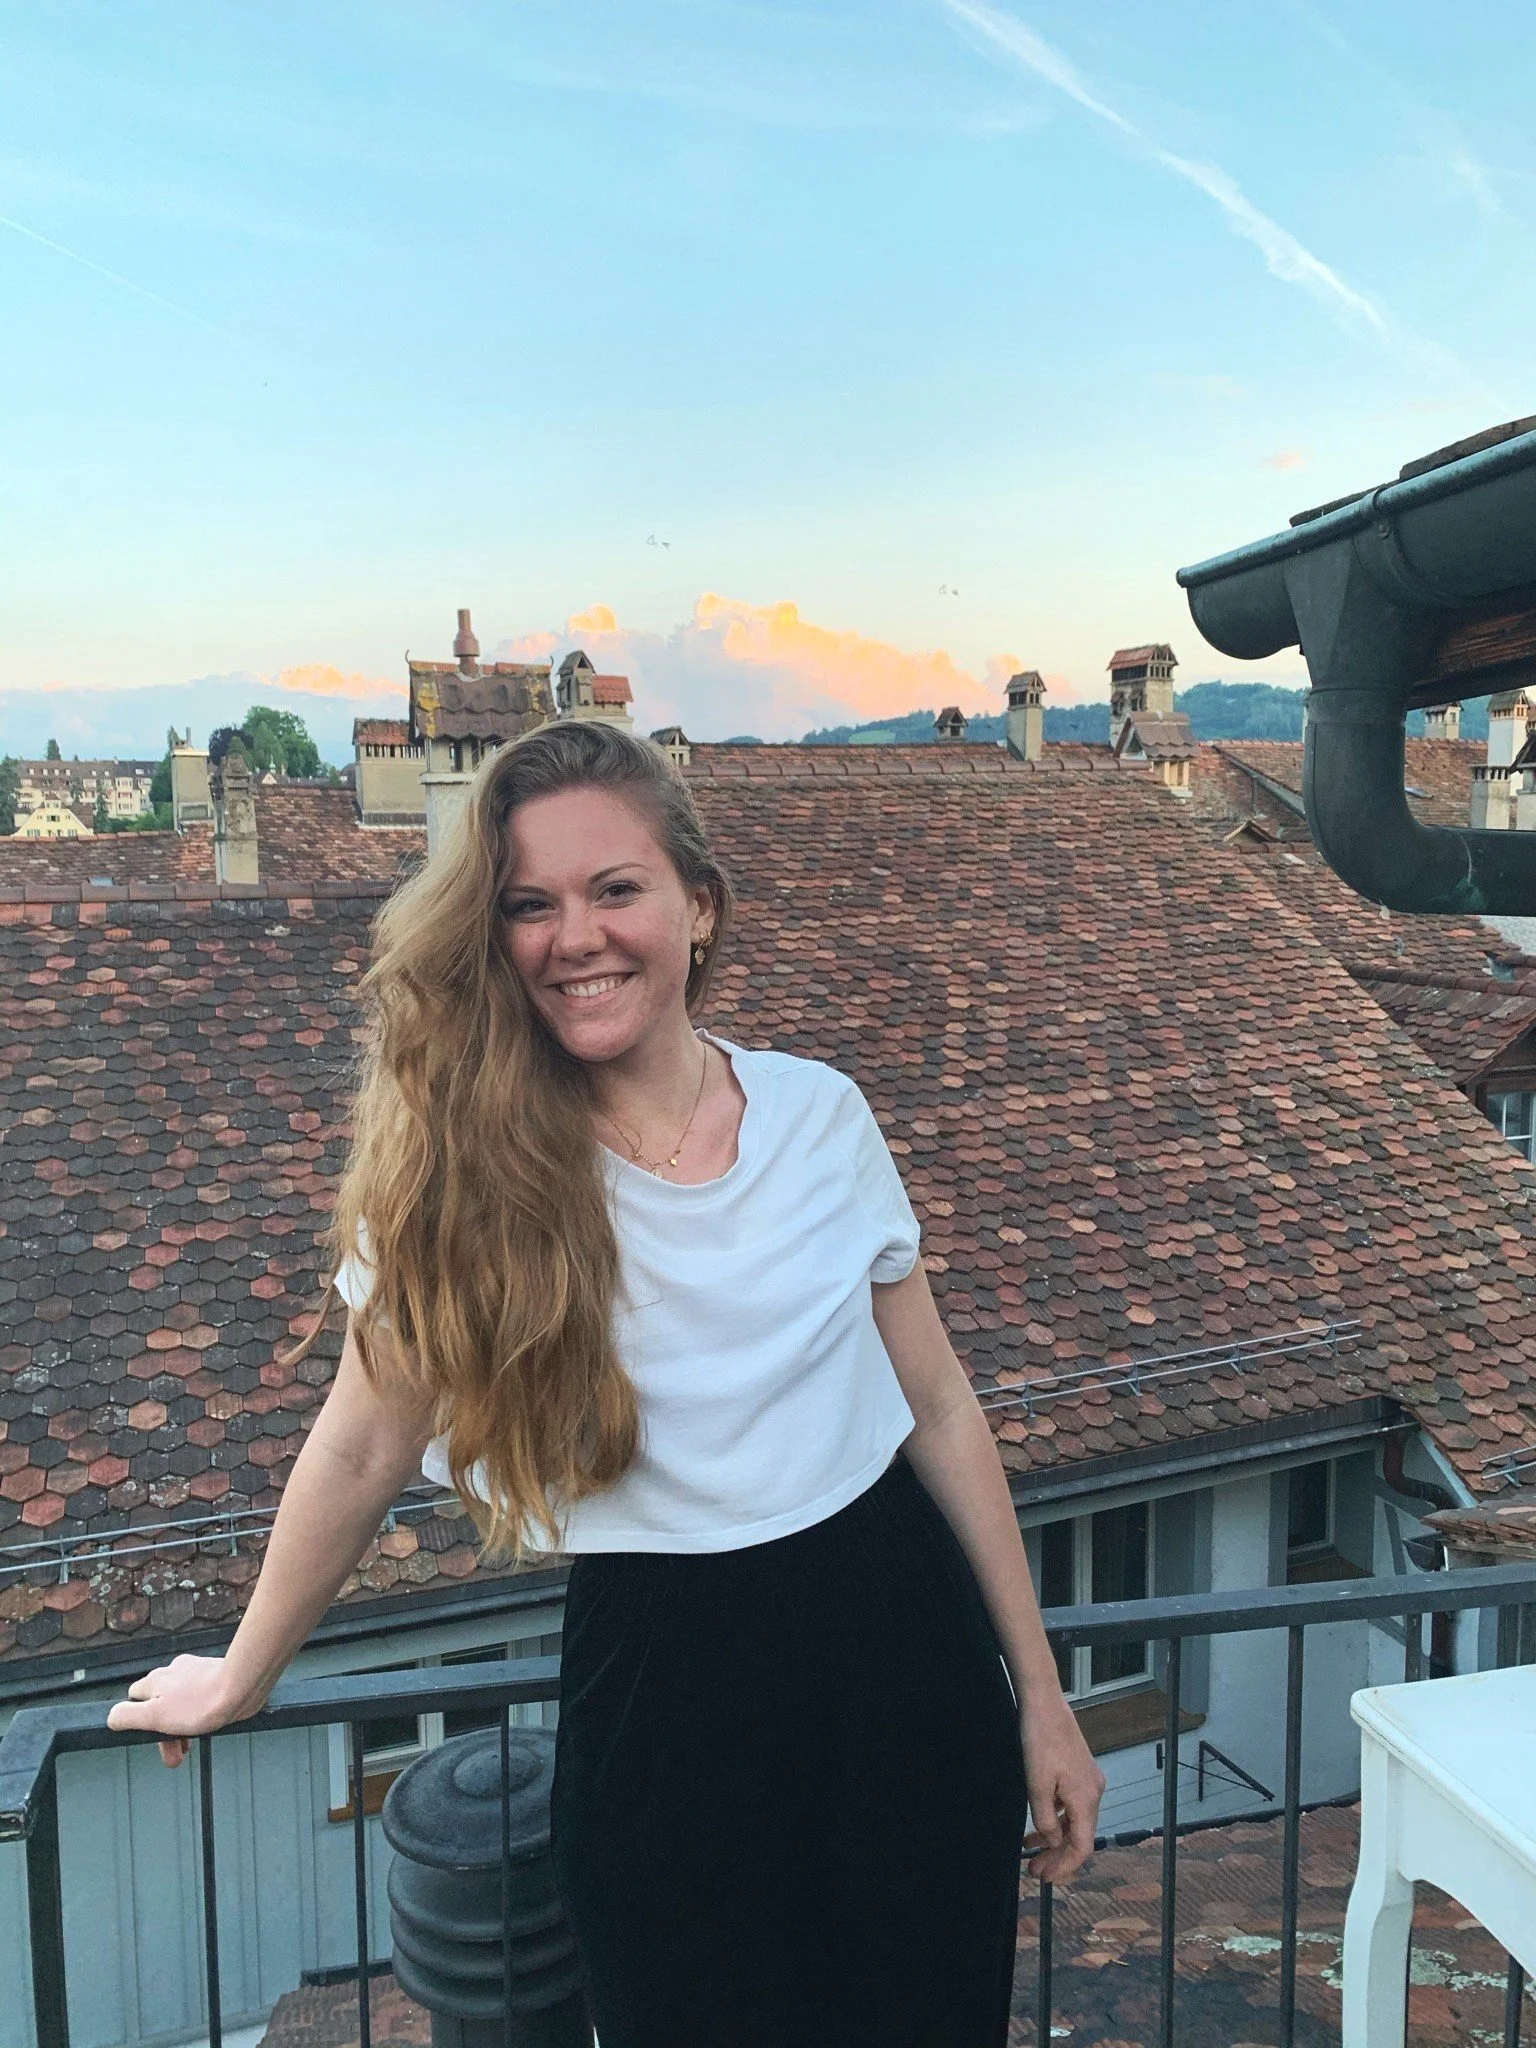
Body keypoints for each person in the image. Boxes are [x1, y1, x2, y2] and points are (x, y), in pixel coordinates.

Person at [109, 720, 1105, 2047]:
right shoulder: (471, 1177)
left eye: (614, 889)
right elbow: (359, 1446)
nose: (574, 936)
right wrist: (243, 1672)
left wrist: (1040, 1696)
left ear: (698, 904)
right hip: (661, 1687)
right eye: (529, 904)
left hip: (902, 1645)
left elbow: (938, 1408)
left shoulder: (822, 1117)